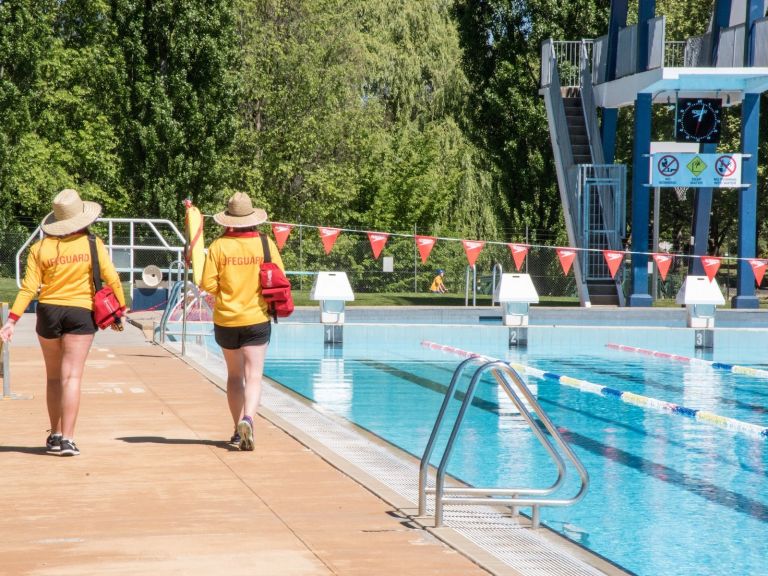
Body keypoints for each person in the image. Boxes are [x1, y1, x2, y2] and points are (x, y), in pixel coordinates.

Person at [0, 189, 126, 457]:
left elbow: (28, 288)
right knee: (72, 376)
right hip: (80, 312)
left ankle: (55, 434)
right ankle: (68, 439)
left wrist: (12, 321)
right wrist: (121, 308)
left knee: (54, 376)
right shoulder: (93, 244)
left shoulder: (39, 248)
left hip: (48, 311)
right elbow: (112, 278)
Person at [200, 192, 284, 451]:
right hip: (256, 318)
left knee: (235, 376)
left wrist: (226, 291)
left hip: (226, 319)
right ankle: (248, 419)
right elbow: (279, 277)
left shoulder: (218, 246)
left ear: (228, 220)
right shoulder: (265, 243)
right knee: (254, 376)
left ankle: (238, 430)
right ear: (252, 218)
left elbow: (207, 283)